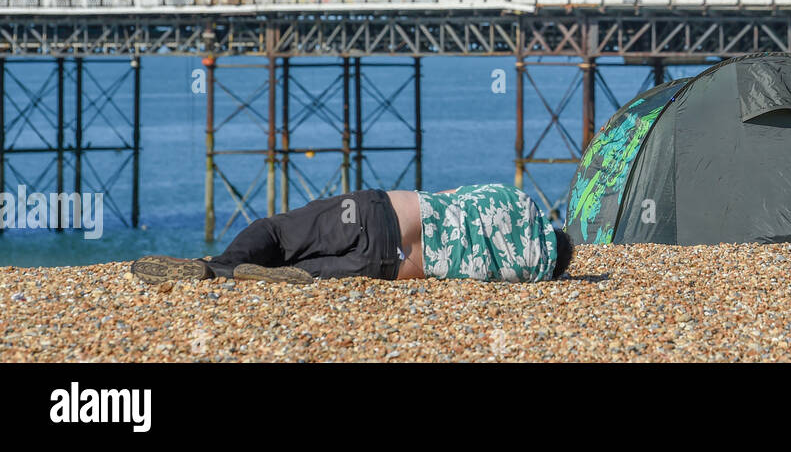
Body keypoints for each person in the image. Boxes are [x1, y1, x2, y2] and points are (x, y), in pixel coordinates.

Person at [131, 184, 573, 285]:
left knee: (278, 234)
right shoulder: (529, 271)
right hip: (389, 266)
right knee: (301, 270)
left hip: (378, 212)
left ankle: (215, 266)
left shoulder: (518, 200)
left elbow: (451, 193)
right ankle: (238, 277)